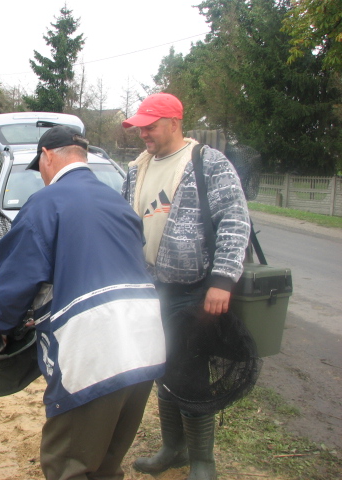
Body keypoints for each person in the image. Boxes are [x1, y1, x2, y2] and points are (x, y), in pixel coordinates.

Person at [0, 125, 166, 480]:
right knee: (107, 460)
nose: (41, 178)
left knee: (68, 463)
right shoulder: (116, 201)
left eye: (40, 169)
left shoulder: (45, 203)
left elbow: (16, 279)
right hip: (146, 344)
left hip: (94, 351)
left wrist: (0, 324)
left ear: (48, 156)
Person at [121, 93, 250, 480]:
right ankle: (172, 449)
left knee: (190, 373)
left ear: (175, 123)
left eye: (151, 125)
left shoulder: (207, 163)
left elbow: (235, 221)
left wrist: (223, 280)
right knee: (162, 367)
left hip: (194, 288)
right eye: (140, 125)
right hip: (150, 287)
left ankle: (202, 462)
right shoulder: (137, 168)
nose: (143, 132)